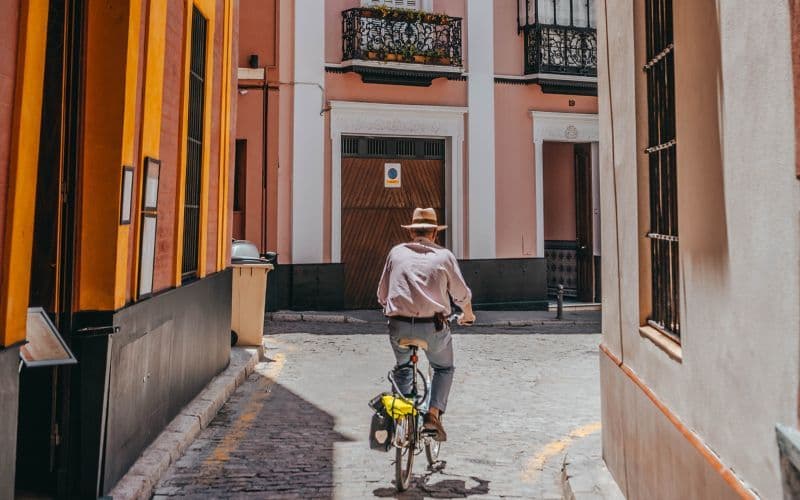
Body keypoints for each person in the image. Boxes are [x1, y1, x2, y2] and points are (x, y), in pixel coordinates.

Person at [376, 207, 475, 442]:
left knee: (402, 367)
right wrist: (467, 315)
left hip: (398, 325)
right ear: (434, 233)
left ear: (412, 233)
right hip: (432, 327)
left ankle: (400, 418)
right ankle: (432, 415)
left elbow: (382, 293)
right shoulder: (444, 256)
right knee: (443, 368)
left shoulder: (396, 253)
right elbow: (461, 295)